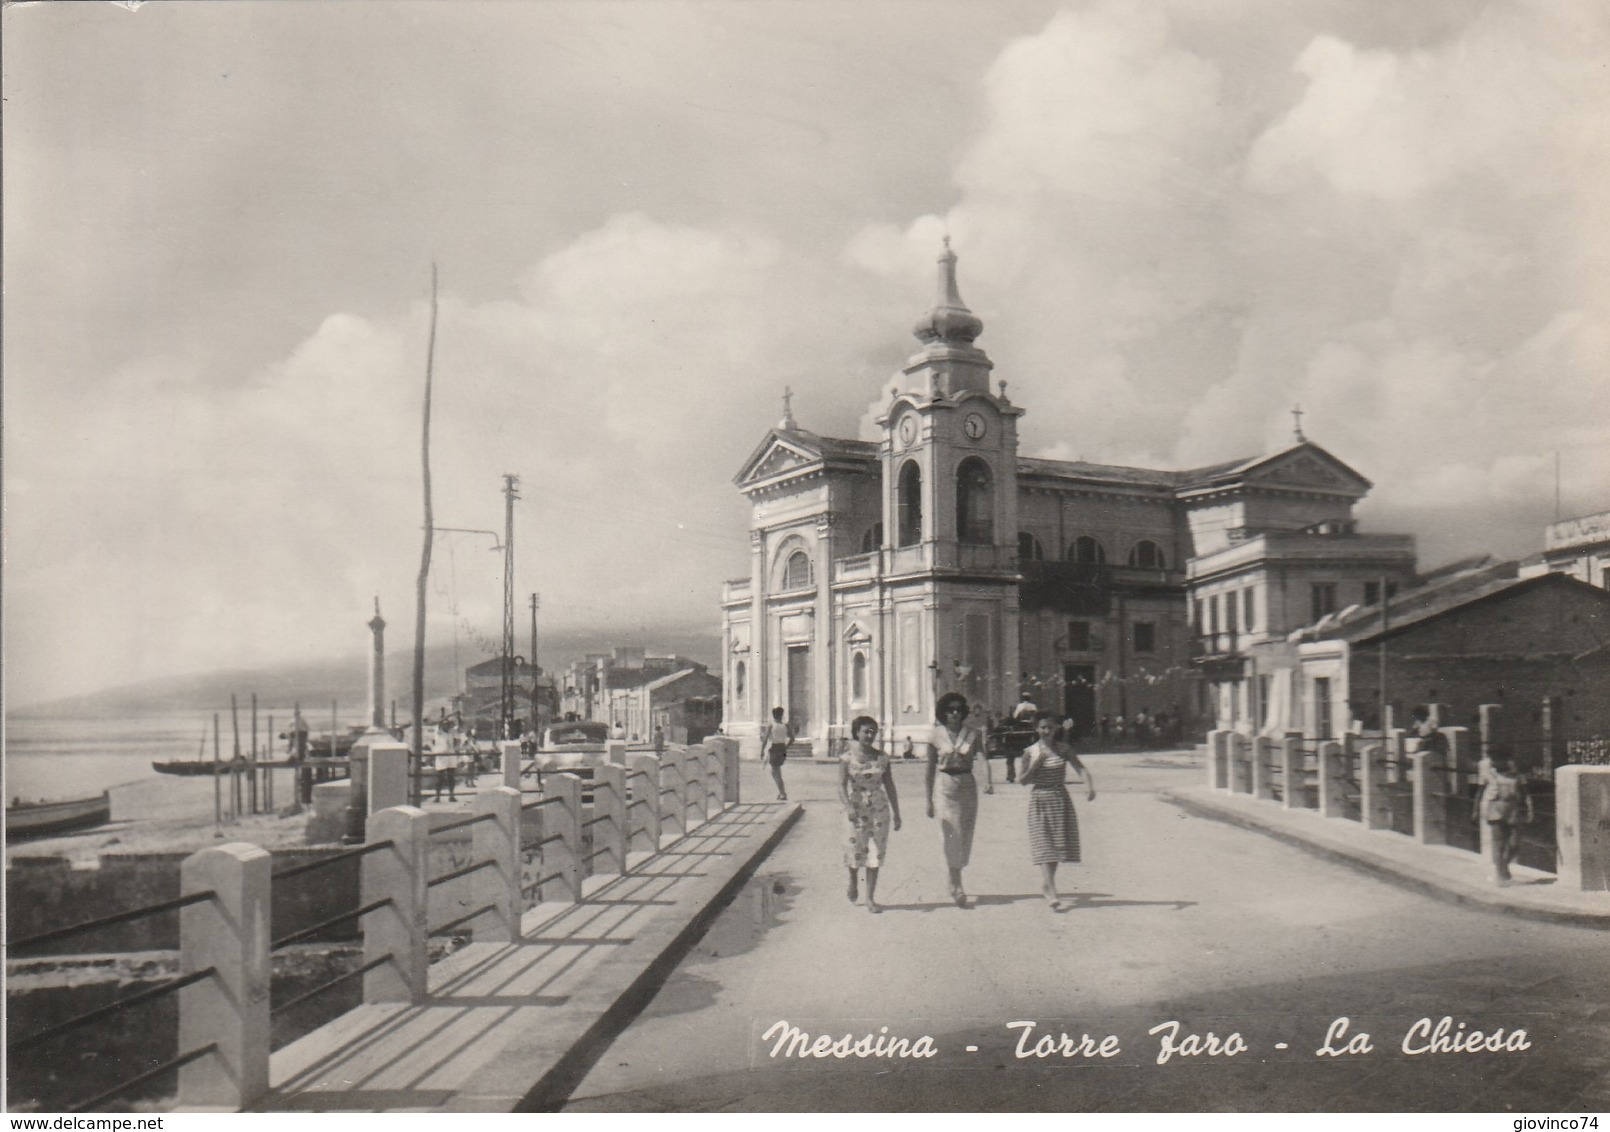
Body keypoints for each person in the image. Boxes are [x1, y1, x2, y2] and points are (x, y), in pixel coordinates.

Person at [1018, 710, 1096, 910]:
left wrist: (1088, 786)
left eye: (1050, 727)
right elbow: (1023, 781)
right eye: (1043, 727)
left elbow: (1080, 768)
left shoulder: (1064, 749)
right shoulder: (1030, 751)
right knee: (1044, 844)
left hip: (1060, 800)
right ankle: (1051, 889)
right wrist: (1037, 763)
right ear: (1036, 729)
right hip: (1040, 800)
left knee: (1057, 845)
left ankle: (1047, 884)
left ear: (1056, 728)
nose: (1047, 731)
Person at [925, 692, 993, 907]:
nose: (954, 713)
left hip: (967, 786)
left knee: (964, 834)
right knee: (950, 834)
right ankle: (957, 885)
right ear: (943, 712)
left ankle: (953, 878)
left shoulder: (973, 734)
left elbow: (982, 758)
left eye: (957, 709)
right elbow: (929, 770)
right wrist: (928, 800)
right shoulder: (935, 735)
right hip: (945, 786)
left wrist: (988, 780)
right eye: (950, 709)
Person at [840, 715, 902, 913]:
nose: (870, 735)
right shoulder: (847, 757)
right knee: (855, 848)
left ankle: (870, 898)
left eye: (873, 732)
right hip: (856, 807)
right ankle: (852, 880)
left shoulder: (882, 757)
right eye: (866, 731)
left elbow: (890, 785)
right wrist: (848, 805)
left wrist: (897, 812)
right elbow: (841, 786)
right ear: (856, 733)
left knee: (875, 851)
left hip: (879, 808)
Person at [1473, 752, 1532, 886]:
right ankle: (1500, 874)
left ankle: (1504, 864)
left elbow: (1526, 793)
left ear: (1507, 760)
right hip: (1495, 807)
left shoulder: (1517, 775)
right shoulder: (1489, 774)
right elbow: (1479, 793)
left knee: (1515, 843)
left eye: (1498, 759)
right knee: (1499, 842)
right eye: (1493, 760)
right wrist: (1475, 810)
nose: (1494, 763)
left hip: (1513, 808)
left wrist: (1529, 809)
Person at [761, 707, 793, 801]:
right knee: (775, 771)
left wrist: (762, 751)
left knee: (776, 772)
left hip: (774, 748)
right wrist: (786, 747)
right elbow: (792, 738)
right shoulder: (785, 726)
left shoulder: (771, 725)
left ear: (773, 715)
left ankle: (782, 793)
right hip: (782, 749)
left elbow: (765, 739)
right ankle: (781, 792)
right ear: (781, 715)